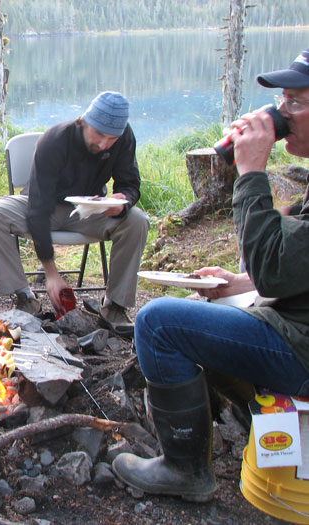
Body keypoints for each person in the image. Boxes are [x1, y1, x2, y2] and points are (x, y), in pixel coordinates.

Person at [112, 47, 309, 502]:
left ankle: (185, 470)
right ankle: (245, 421)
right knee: (214, 302)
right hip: (296, 325)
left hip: (302, 348)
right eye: (282, 99)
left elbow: (276, 272)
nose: (281, 112)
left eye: (295, 101)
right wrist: (238, 284)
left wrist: (251, 172)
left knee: (158, 322)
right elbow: (293, 265)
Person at [0, 91, 150, 337]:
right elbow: (37, 209)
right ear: (84, 121)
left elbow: (130, 184)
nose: (103, 144)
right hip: (40, 204)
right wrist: (51, 273)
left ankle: (114, 306)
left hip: (88, 211)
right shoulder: (55, 140)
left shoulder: (123, 137)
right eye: (99, 134)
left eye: (112, 138)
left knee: (138, 220)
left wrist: (122, 201)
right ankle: (25, 297)